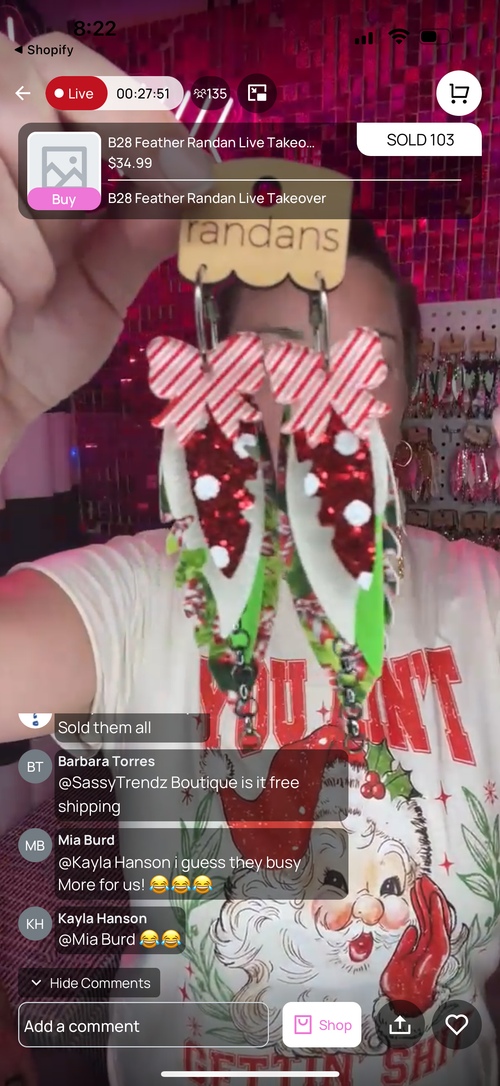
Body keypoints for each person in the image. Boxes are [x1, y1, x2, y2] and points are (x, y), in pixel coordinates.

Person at [1, 28, 500, 1086]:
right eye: (271, 363)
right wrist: (5, 397)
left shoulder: (481, 602)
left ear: (405, 405)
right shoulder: (139, 594)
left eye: (357, 370)